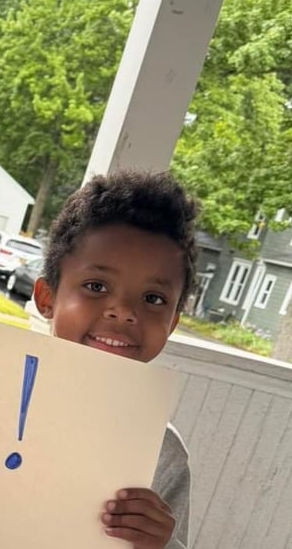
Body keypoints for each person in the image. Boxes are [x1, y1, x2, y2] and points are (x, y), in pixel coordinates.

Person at [32, 169, 198, 549]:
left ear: (172, 323)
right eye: (96, 287)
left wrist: (158, 543)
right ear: (47, 298)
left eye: (153, 299)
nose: (123, 312)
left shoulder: (161, 451)